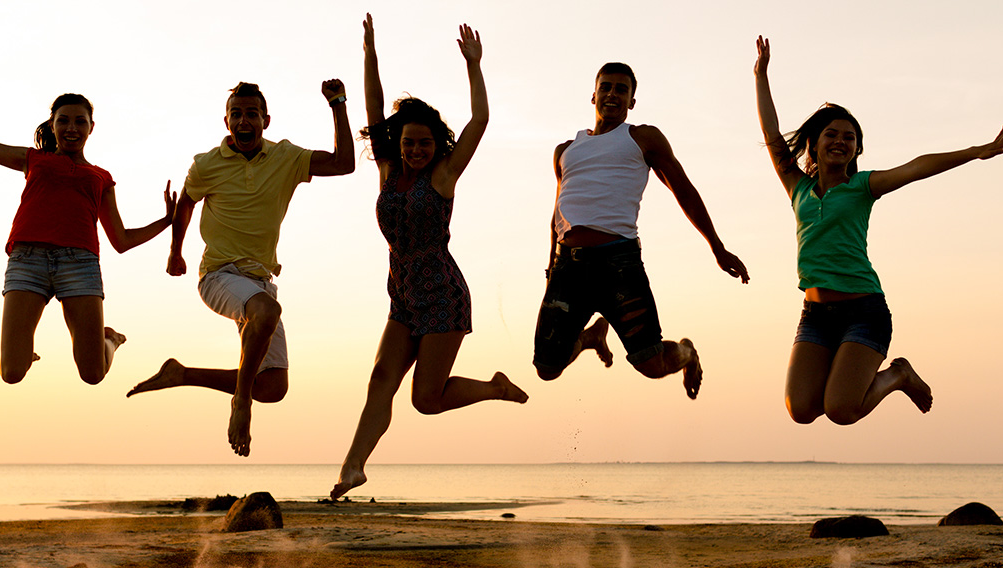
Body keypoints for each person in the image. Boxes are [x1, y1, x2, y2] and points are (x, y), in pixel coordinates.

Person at [753, 36, 1003, 425]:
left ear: (857, 149)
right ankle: (880, 376)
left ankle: (897, 374)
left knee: (841, 410)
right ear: (813, 143)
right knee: (801, 409)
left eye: (850, 138)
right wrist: (761, 75)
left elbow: (917, 166)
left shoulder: (862, 187)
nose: (841, 142)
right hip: (815, 314)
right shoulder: (798, 186)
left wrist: (975, 151)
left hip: (864, 311)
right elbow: (772, 136)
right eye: (832, 134)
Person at [329, 14, 528, 500]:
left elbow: (479, 122)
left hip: (442, 295)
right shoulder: (386, 168)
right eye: (409, 142)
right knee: (380, 378)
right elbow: (374, 107)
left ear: (436, 145)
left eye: (424, 142)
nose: (416, 149)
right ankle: (352, 466)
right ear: (398, 143)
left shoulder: (443, 176)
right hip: (402, 294)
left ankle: (495, 387)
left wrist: (474, 67)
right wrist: (369, 52)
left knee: (426, 400)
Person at [125, 80, 355, 457]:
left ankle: (181, 374)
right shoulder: (206, 165)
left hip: (259, 281)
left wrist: (338, 105)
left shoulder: (286, 157)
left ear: (265, 119)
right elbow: (186, 203)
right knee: (266, 313)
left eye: (252, 114)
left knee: (273, 387)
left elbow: (344, 163)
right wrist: (175, 252)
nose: (244, 120)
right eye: (237, 114)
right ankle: (240, 406)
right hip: (218, 274)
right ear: (227, 120)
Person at [0, 85, 174, 385]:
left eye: (80, 121)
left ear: (91, 127)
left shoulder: (101, 178)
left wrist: (166, 221)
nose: (71, 128)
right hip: (28, 261)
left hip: (79, 265)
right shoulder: (33, 159)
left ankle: (109, 340)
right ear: (53, 124)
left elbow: (121, 241)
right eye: (63, 120)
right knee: (12, 373)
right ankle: (23, 352)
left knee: (93, 374)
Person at [533, 63, 750, 398]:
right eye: (606, 87)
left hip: (617, 264)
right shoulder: (565, 150)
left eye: (622, 89)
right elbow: (558, 214)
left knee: (651, 364)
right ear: (593, 94)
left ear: (631, 101)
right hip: (569, 266)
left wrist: (717, 246)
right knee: (547, 368)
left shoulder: (642, 138)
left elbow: (684, 190)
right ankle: (591, 337)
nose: (612, 94)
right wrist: (551, 269)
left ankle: (688, 352)